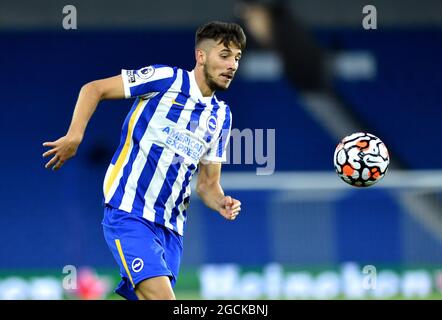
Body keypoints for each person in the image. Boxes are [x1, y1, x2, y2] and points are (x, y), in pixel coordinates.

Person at [42, 21, 245, 300]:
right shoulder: (165, 79)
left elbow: (208, 185)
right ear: (201, 56)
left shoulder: (222, 117)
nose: (232, 64)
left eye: (237, 58)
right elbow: (94, 89)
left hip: (171, 230)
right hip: (129, 213)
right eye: (224, 55)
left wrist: (221, 201)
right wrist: (75, 135)